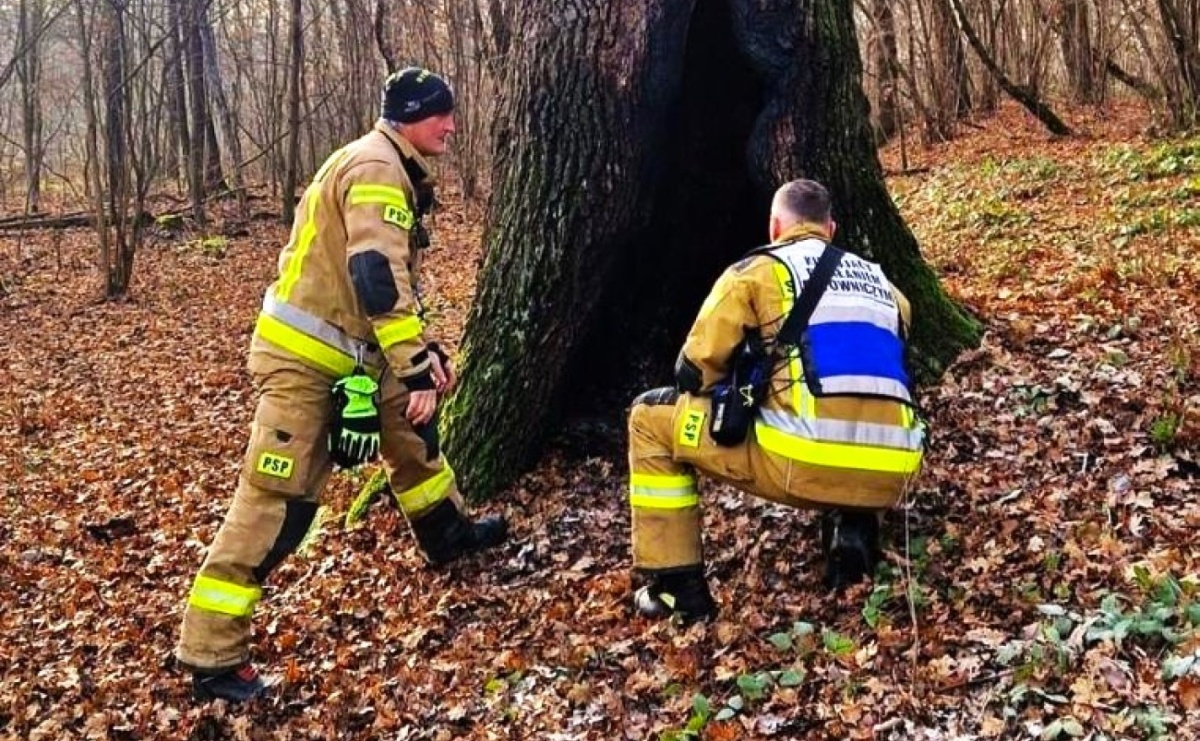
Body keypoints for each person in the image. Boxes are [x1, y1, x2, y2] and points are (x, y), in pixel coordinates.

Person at [176, 67, 507, 703]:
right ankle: (212, 654)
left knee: (415, 434)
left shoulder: (383, 159)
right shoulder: (379, 169)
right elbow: (376, 277)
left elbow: (386, 289)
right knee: (281, 502)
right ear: (411, 115)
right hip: (306, 363)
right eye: (441, 114)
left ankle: (446, 533)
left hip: (354, 352)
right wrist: (413, 366)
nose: (452, 125)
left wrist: (419, 355)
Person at [625, 179, 925, 623]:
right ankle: (854, 530)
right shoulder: (886, 286)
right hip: (896, 470)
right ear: (832, 228)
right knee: (849, 403)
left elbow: (692, 370)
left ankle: (676, 588)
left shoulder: (757, 273)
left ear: (774, 226)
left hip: (799, 461)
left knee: (650, 416)